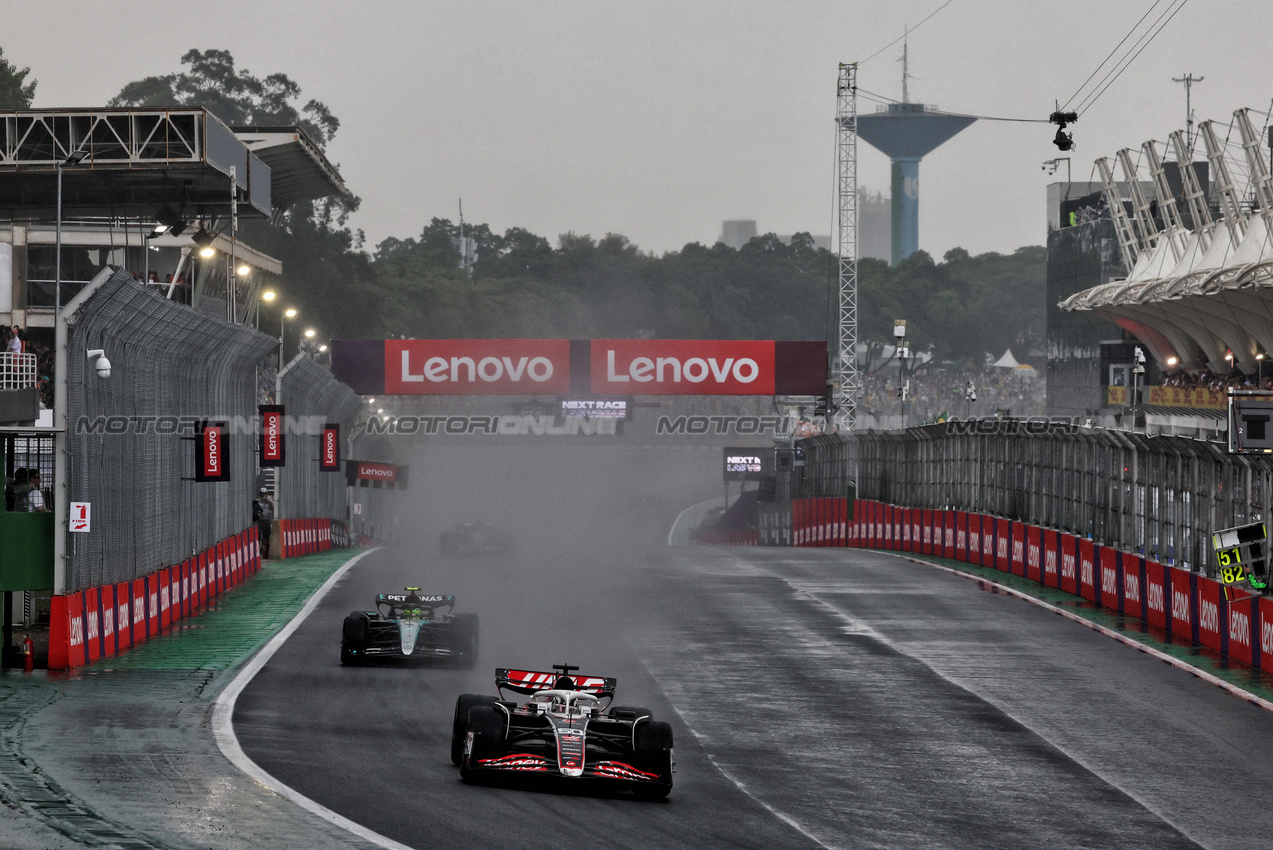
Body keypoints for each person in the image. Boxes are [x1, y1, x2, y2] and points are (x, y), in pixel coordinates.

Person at [254, 487, 274, 557]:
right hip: (259, 521)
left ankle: (265, 552)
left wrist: (270, 501)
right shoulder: (257, 501)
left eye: (264, 494)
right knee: (258, 536)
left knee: (266, 537)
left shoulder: (269, 502)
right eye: (262, 494)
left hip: (267, 521)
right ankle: (257, 551)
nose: (263, 496)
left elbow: (274, 507)